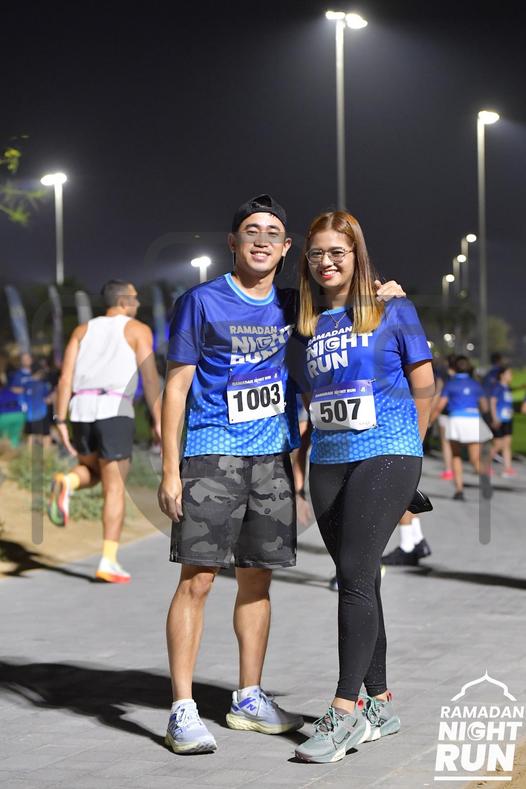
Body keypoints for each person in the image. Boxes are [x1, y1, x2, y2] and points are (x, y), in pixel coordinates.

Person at [158, 194, 408, 755]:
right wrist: (171, 468)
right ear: (233, 242)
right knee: (198, 580)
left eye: (273, 233)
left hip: (274, 458)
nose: (262, 241)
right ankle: (182, 708)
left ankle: (248, 697)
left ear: (286, 247)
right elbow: (175, 386)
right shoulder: (201, 301)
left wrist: (385, 291)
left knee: (257, 580)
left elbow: (348, 295)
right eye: (251, 231)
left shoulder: (296, 303)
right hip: (213, 454)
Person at [292, 210, 434, 763]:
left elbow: (425, 386)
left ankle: (343, 711)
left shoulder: (393, 309)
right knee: (361, 577)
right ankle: (380, 703)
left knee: (352, 578)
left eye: (338, 252)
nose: (326, 262)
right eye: (317, 253)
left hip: (387, 451)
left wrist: (411, 455)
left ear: (357, 255)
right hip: (328, 461)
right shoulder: (304, 320)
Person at [48, 280, 162, 583]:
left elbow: (64, 379)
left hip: (81, 410)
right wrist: (159, 420)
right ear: (124, 301)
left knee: (93, 472)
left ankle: (67, 481)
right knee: (114, 488)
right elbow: (150, 379)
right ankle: (108, 561)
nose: (138, 303)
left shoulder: (82, 330)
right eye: (135, 298)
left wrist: (60, 420)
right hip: (114, 408)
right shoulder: (138, 330)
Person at [430, 355, 492, 501]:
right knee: (475, 459)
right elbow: (485, 406)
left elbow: (440, 406)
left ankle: (459, 490)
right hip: (473, 419)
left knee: (456, 455)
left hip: (456, 420)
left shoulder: (450, 383)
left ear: (453, 368)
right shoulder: (475, 384)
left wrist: (430, 421)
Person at [490, 366, 516, 478]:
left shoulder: (508, 388)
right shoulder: (498, 387)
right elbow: (493, 402)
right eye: (509, 373)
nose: (511, 376)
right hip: (499, 419)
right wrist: (494, 417)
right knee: (498, 444)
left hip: (508, 420)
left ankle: (508, 468)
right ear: (502, 375)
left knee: (507, 444)